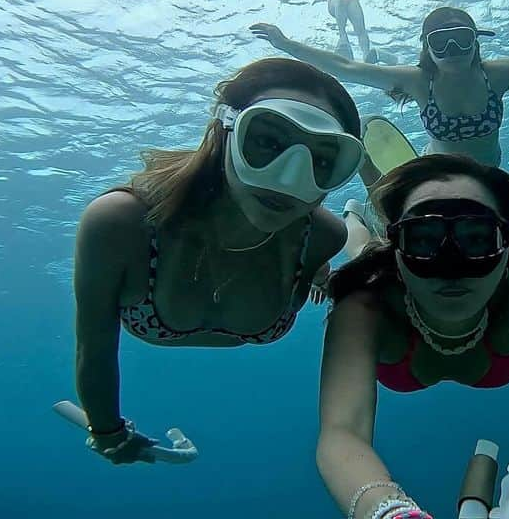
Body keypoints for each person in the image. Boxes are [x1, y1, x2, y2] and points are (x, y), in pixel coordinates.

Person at [73, 58, 364, 463]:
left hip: (317, 249)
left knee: (352, 246)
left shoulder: (324, 236)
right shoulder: (121, 223)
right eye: (266, 141)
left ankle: (357, 218)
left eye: (323, 159)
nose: (289, 179)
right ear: (224, 131)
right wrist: (107, 431)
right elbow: (94, 348)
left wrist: (318, 269)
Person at [316, 154, 509, 519]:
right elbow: (341, 432)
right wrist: (393, 514)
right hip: (385, 274)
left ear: (505, 245)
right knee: (361, 250)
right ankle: (356, 217)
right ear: (400, 251)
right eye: (422, 240)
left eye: (476, 238)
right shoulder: (365, 310)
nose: (450, 266)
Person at [252, 6, 509, 167]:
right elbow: (345, 64)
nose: (452, 50)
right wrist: (286, 44)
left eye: (462, 40)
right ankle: (360, 211)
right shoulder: (417, 81)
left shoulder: (498, 74)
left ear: (476, 43)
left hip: (488, 172)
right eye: (440, 42)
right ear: (427, 50)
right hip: (437, 170)